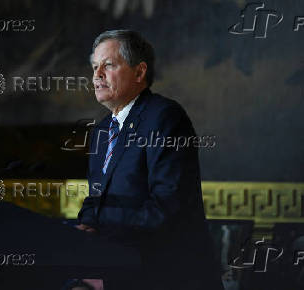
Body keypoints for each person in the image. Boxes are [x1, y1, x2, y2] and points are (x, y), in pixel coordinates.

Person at [76, 30, 224, 290]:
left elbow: (167, 203)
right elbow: (96, 197)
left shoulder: (165, 117)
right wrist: (87, 226)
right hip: (121, 268)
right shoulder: (102, 130)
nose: (96, 75)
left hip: (169, 274)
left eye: (108, 65)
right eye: (94, 66)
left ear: (139, 72)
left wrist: (106, 238)